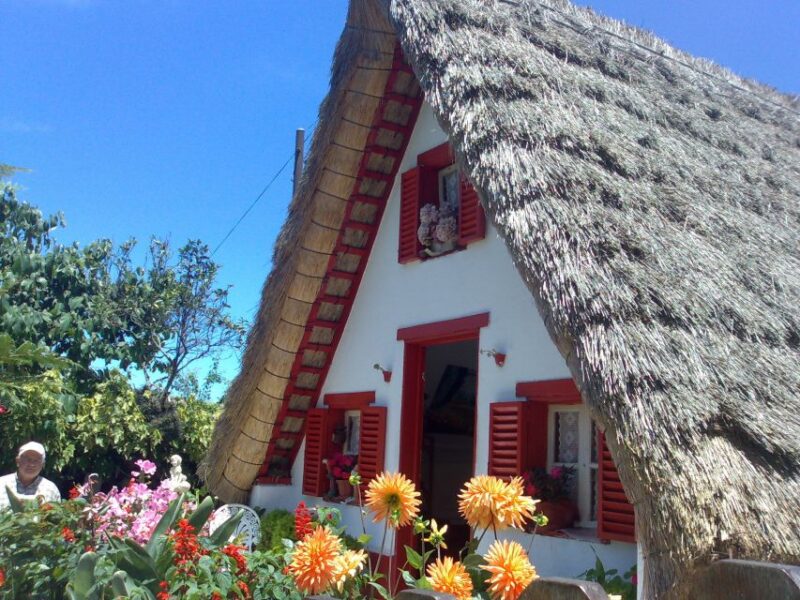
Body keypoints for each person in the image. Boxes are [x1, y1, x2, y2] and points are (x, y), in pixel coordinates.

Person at [0, 441, 61, 510]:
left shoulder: (51, 489)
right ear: (17, 461)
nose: (31, 464)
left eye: (36, 460)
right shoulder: (1, 484)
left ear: (43, 464)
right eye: (27, 459)